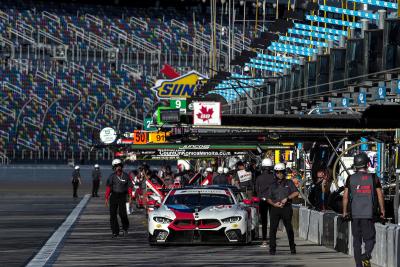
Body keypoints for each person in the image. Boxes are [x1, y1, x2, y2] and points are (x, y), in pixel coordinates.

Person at [342, 153, 385, 267]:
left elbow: (345, 196)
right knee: (370, 239)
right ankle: (366, 255)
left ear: (355, 165)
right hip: (368, 214)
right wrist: (382, 210)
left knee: (357, 242)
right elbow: (380, 195)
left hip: (355, 215)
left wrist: (345, 212)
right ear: (367, 163)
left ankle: (359, 265)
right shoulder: (373, 178)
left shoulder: (350, 178)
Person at [267, 163, 299, 255]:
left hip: (286, 208)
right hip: (275, 209)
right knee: (273, 229)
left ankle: (292, 248)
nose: (279, 174)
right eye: (277, 172)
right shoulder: (272, 185)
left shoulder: (289, 182)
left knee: (289, 228)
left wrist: (287, 198)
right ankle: (272, 249)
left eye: (281, 172)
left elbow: (296, 193)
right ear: (275, 173)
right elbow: (268, 198)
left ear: (284, 172)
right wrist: (274, 204)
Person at [105, 159, 133, 238]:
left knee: (123, 214)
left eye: (119, 166)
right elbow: (108, 188)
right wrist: (106, 198)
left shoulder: (126, 176)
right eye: (116, 166)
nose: (118, 168)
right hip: (113, 196)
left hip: (122, 196)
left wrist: (130, 197)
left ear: (122, 166)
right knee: (112, 215)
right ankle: (115, 232)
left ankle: (125, 228)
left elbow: (129, 187)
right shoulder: (112, 176)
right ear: (114, 167)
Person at [255, 158, 275, 247]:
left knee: (264, 221)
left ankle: (264, 240)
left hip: (262, 200)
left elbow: (256, 190)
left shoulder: (259, 178)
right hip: (272, 200)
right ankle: (272, 239)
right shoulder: (273, 177)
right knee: (273, 220)